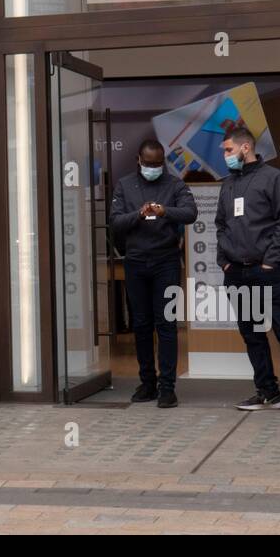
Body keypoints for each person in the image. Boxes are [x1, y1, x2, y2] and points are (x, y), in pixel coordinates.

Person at [214, 125, 280, 418]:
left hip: (269, 271)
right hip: (237, 272)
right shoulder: (228, 184)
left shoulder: (274, 178)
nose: (226, 156)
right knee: (252, 334)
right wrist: (224, 260)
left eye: (228, 150)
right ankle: (268, 392)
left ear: (245, 148)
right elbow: (221, 225)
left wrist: (271, 261)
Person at [109, 139, 197, 408]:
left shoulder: (174, 184)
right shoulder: (125, 185)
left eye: (158, 164)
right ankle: (147, 382)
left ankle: (167, 387)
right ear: (139, 160)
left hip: (166, 263)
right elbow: (115, 221)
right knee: (142, 325)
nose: (153, 168)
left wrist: (164, 211)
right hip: (135, 263)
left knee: (166, 325)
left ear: (164, 162)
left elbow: (191, 213)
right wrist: (139, 214)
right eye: (148, 164)